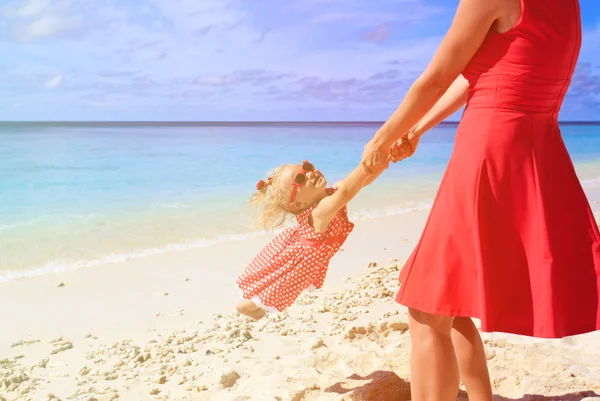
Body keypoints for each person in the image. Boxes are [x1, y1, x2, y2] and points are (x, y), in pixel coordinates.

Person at [361, 0, 600, 400]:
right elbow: (483, 71)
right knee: (450, 296)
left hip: (488, 150)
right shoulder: (569, 5)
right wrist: (419, 128)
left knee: (428, 308)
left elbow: (436, 77)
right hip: (536, 148)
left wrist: (380, 139)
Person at [235, 145, 411, 319]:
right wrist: (366, 163)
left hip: (311, 253)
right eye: (300, 180)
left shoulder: (333, 191)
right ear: (297, 205)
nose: (310, 173)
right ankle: (246, 308)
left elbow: (363, 180)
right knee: (273, 290)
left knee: (271, 290)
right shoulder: (320, 211)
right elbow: (349, 190)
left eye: (307, 167)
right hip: (300, 261)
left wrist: (386, 159)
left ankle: (259, 307)